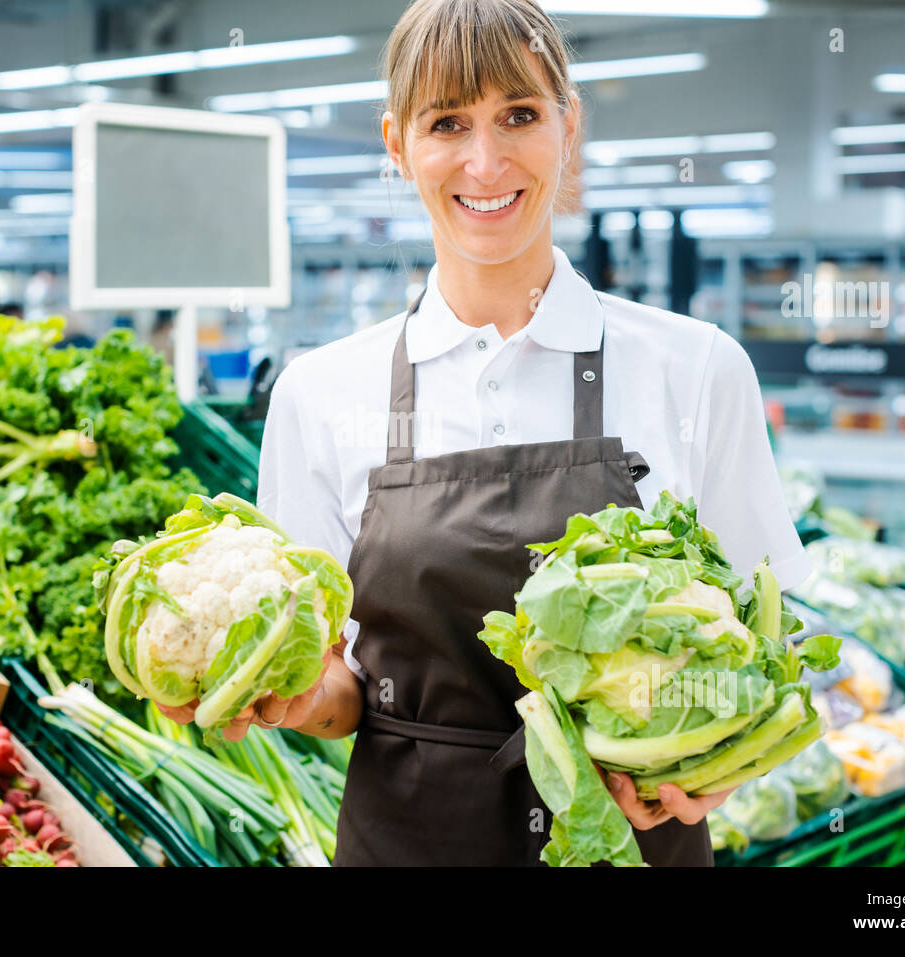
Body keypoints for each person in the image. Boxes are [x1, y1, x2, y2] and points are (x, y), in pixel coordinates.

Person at [165, 0, 810, 866]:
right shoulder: (321, 393)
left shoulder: (695, 368)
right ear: (398, 145)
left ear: (568, 126)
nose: (485, 159)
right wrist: (282, 694)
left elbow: (774, 641)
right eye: (446, 123)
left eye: (519, 115)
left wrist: (723, 763)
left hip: (635, 840)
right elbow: (342, 687)